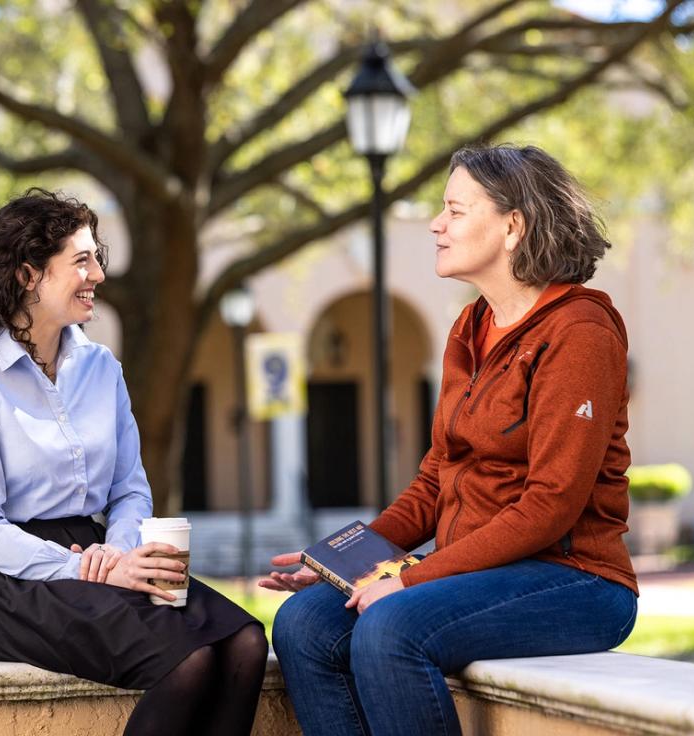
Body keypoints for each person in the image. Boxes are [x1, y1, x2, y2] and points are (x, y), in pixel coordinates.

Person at [261, 144, 638, 736]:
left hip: (575, 580)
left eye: (456, 211)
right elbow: (439, 475)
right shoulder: (473, 326)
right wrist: (345, 563)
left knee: (391, 629)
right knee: (304, 623)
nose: (437, 224)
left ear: (514, 226)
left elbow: (550, 506)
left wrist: (407, 579)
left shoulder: (580, 332)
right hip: (484, 571)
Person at [0, 188, 267, 736]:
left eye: (96, 257)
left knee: (244, 641)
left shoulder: (101, 367)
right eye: (82, 260)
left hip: (103, 550)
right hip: (10, 578)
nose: (98, 274)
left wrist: (119, 554)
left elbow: (130, 490)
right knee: (188, 659)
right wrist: (88, 567)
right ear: (29, 275)